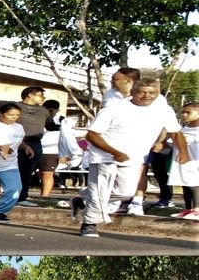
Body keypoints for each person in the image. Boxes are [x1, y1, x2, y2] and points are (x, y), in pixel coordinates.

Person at [74, 79, 183, 237]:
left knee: (126, 192)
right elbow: (91, 134)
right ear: (132, 92)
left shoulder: (164, 110)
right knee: (100, 191)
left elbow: (176, 131)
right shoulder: (114, 108)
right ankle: (89, 224)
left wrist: (184, 153)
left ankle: (86, 196)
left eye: (152, 93)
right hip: (104, 156)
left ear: (158, 93)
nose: (146, 96)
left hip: (133, 157)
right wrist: (115, 152)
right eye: (141, 92)